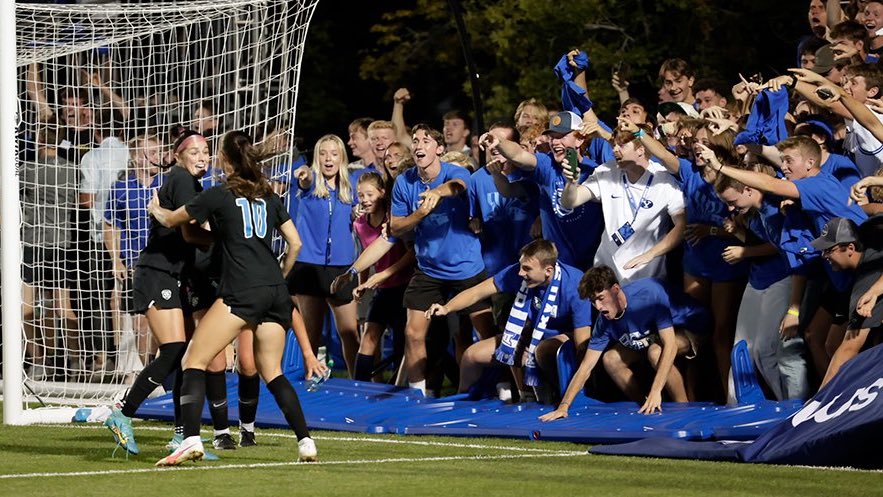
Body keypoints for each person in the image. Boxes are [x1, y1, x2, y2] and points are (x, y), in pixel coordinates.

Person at [149, 129, 324, 465]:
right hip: (274, 291)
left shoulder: (219, 194)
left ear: (226, 161)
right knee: (272, 371)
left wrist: (156, 208)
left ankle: (190, 440)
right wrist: (281, 275)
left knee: (193, 361)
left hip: (242, 291)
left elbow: (173, 220)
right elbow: (296, 244)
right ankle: (305, 441)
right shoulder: (268, 195)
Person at [713, 135, 868, 379]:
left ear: (809, 163)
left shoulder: (818, 185)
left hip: (864, 271)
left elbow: (772, 184)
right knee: (819, 339)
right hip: (838, 276)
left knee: (850, 346)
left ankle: (843, 401)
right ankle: (830, 398)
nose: (783, 167)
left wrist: (720, 166)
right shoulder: (804, 187)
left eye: (788, 161)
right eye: (782, 161)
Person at [620, 117, 746, 400]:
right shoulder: (689, 171)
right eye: (696, 142)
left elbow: (744, 231)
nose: (698, 147)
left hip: (726, 260)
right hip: (695, 262)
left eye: (705, 142)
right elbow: (664, 154)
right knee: (692, 332)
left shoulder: (736, 174)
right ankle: (692, 396)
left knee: (721, 333)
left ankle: (729, 396)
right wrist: (639, 131)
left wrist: (711, 230)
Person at [390, 124, 497, 395]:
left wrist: (438, 193)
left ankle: (504, 387)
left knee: (485, 331)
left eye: (426, 140)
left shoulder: (454, 171)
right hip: (428, 268)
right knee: (413, 334)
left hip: (466, 267)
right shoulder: (405, 181)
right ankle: (417, 394)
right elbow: (396, 227)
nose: (418, 145)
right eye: (415, 141)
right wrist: (419, 215)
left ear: (439, 149)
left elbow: (460, 186)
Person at [427, 240, 592, 402]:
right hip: (530, 337)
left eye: (527, 268)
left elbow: (582, 342)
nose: (520, 273)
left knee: (541, 350)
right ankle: (463, 405)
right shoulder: (517, 274)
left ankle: (550, 396)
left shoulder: (575, 284)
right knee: (472, 356)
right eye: (521, 266)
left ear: (548, 270)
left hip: (562, 342)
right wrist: (447, 308)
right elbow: (478, 292)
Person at [539, 266, 710, 420]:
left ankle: (684, 409)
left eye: (600, 298)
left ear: (615, 289)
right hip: (650, 336)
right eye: (593, 302)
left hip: (689, 327)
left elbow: (670, 345)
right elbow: (586, 367)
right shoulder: (604, 320)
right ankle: (645, 405)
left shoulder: (649, 294)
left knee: (655, 352)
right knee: (611, 358)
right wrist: (563, 406)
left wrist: (656, 391)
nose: (598, 306)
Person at [715, 168, 810, 402]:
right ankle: (735, 406)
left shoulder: (776, 208)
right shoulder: (752, 211)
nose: (730, 208)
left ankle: (790, 409)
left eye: (732, 201)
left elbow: (786, 249)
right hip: (757, 279)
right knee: (742, 350)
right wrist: (737, 231)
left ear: (748, 189)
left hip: (783, 279)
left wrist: (794, 308)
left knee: (766, 350)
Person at [560, 122, 686, 284]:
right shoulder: (606, 171)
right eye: (614, 145)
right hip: (606, 273)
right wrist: (570, 183)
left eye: (622, 145)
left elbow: (681, 225)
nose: (614, 150)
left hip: (645, 276)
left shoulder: (664, 179)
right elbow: (571, 201)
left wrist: (651, 254)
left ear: (641, 149)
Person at [478, 111, 605, 271]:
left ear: (580, 139)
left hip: (592, 263)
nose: (555, 142)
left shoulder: (596, 171)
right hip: (555, 265)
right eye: (552, 137)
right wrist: (498, 142)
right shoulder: (547, 164)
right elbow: (518, 155)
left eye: (562, 136)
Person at [289, 134, 360, 376]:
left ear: (341, 157)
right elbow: (305, 180)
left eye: (334, 153)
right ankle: (309, 378)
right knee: (311, 333)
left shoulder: (350, 186)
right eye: (323, 153)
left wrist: (358, 212)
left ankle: (357, 379)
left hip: (341, 266)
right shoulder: (310, 181)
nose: (328, 159)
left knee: (350, 332)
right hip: (309, 266)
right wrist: (305, 175)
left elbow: (360, 214)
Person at [336, 172, 414, 381]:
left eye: (370, 194)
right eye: (361, 195)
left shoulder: (393, 218)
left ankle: (398, 389)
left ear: (382, 193)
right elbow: (365, 257)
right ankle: (360, 387)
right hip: (381, 287)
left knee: (402, 342)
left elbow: (411, 253)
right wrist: (362, 286)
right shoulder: (360, 224)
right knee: (369, 336)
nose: (365, 200)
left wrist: (384, 275)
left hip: (404, 286)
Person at [20, 126, 80, 380]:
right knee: (62, 306)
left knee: (29, 307)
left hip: (33, 243)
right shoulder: (71, 170)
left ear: (39, 140)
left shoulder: (27, 170)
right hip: (61, 244)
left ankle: (39, 363)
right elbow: (80, 202)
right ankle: (75, 361)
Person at [103, 133, 163, 370]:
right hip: (134, 263)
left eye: (159, 151)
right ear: (137, 157)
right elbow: (110, 225)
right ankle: (146, 372)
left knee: (162, 323)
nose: (158, 157)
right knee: (140, 324)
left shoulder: (167, 185)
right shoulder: (120, 188)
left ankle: (159, 370)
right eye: (152, 152)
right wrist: (116, 260)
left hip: (165, 263)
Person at [813, 217, 883, 387]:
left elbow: (849, 347)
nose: (824, 256)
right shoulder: (868, 231)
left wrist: (819, 400)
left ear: (850, 248)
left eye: (828, 250)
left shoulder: (866, 282)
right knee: (832, 343)